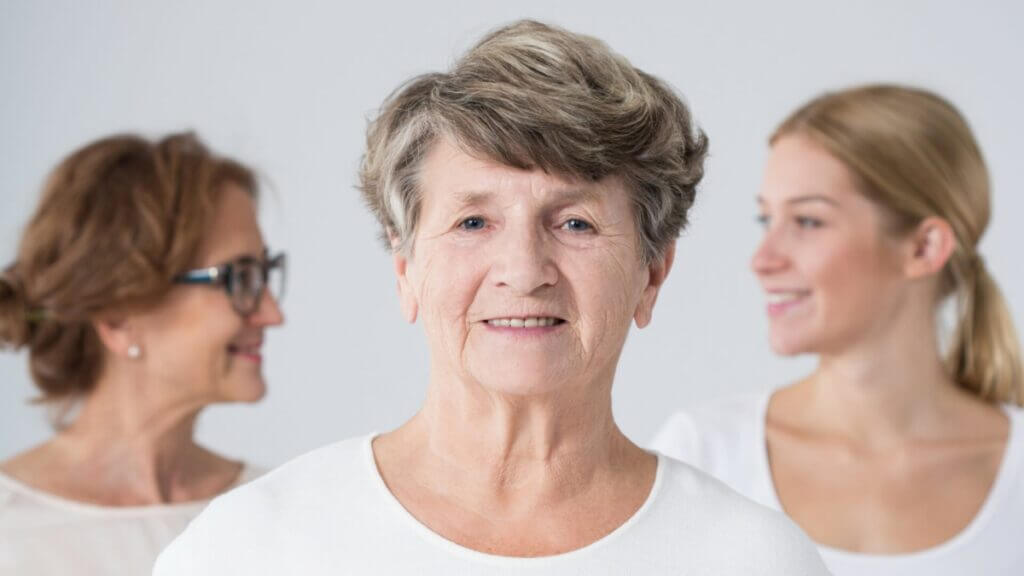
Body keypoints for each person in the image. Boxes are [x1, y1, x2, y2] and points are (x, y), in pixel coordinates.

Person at [153, 20, 828, 576]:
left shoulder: (752, 560)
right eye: (473, 222)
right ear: (405, 267)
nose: (524, 269)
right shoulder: (251, 549)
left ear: (652, 274)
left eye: (575, 223)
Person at [652, 84, 1024, 574]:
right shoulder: (701, 455)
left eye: (808, 221)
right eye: (767, 219)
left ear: (924, 247)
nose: (762, 260)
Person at [0, 132, 286, 576]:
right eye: (240, 278)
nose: (272, 313)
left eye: (264, 274)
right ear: (118, 317)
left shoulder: (279, 510)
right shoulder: (10, 531)